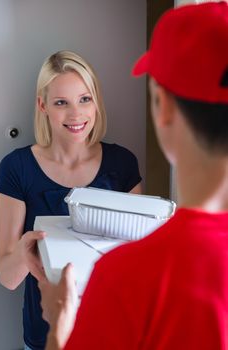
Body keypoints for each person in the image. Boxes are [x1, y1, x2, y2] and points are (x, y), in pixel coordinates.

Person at [39, 2, 228, 349]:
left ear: (164, 107)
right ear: (44, 106)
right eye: (61, 102)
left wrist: (58, 327)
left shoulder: (124, 276)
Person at [0, 50, 142, 350]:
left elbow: (137, 264)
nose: (76, 115)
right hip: (44, 338)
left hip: (112, 335)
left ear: (96, 101)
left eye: (84, 99)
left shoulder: (122, 163)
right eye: (61, 102)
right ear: (43, 105)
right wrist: (25, 253)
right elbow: (7, 279)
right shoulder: (17, 168)